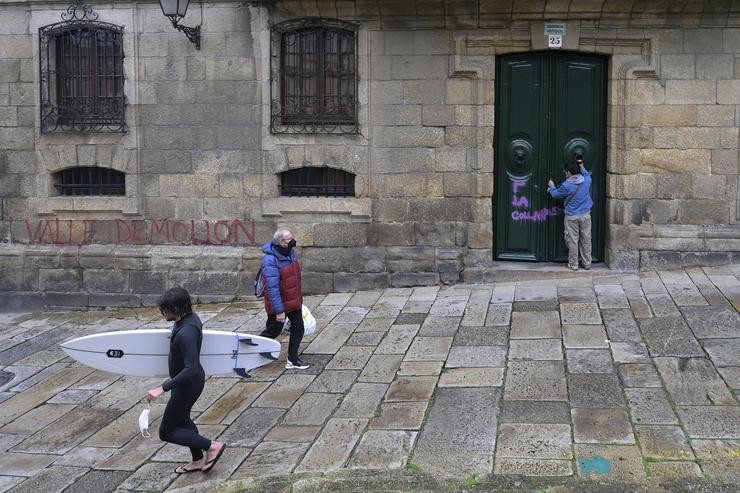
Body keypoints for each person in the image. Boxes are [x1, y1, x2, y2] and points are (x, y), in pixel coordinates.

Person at [146, 287, 225, 474]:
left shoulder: (186, 332)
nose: (162, 312)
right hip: (185, 383)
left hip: (188, 384)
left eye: (164, 309)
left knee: (166, 432)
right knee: (183, 421)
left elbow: (191, 368)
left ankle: (212, 446)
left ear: (175, 308)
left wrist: (162, 388)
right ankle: (197, 459)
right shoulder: (186, 319)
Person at [259, 228, 310, 370]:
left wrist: (299, 300)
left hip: (293, 301)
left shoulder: (289, 253)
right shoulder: (270, 260)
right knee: (273, 331)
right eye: (289, 239)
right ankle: (253, 352)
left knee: (298, 328)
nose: (292, 241)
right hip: (279, 304)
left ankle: (292, 359)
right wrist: (279, 311)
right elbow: (272, 288)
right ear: (282, 242)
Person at [547, 157, 593, 271]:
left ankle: (574, 264)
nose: (565, 173)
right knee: (586, 239)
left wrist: (551, 186)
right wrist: (581, 165)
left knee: (573, 240)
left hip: (572, 217)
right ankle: (587, 263)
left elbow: (556, 194)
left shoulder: (566, 185)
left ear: (569, 172)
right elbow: (586, 174)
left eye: (565, 171)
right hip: (586, 215)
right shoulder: (586, 180)